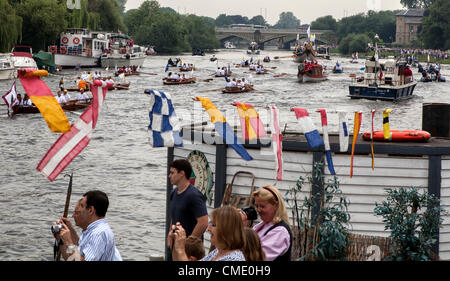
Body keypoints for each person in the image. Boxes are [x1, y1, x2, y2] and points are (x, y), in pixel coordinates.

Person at [52, 190, 122, 261]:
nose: (78, 209)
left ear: (91, 210)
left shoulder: (98, 234)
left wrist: (68, 242)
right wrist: (59, 238)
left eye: (82, 206)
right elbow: (72, 258)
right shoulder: (91, 230)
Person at [172, 205, 246, 261]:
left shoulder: (234, 259)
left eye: (213, 225)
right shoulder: (217, 252)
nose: (208, 228)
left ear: (226, 230)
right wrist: (177, 242)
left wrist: (181, 249)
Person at [167, 159, 208, 257]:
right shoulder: (173, 193)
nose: (169, 176)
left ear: (182, 173)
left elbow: (203, 222)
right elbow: (174, 217)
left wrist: (188, 242)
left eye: (172, 173)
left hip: (189, 251)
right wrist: (170, 235)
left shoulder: (194, 195)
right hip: (174, 245)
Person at [252, 185, 292, 261]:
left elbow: (259, 258)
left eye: (262, 206)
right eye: (257, 206)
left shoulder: (280, 231)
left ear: (276, 205)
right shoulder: (260, 226)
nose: (258, 210)